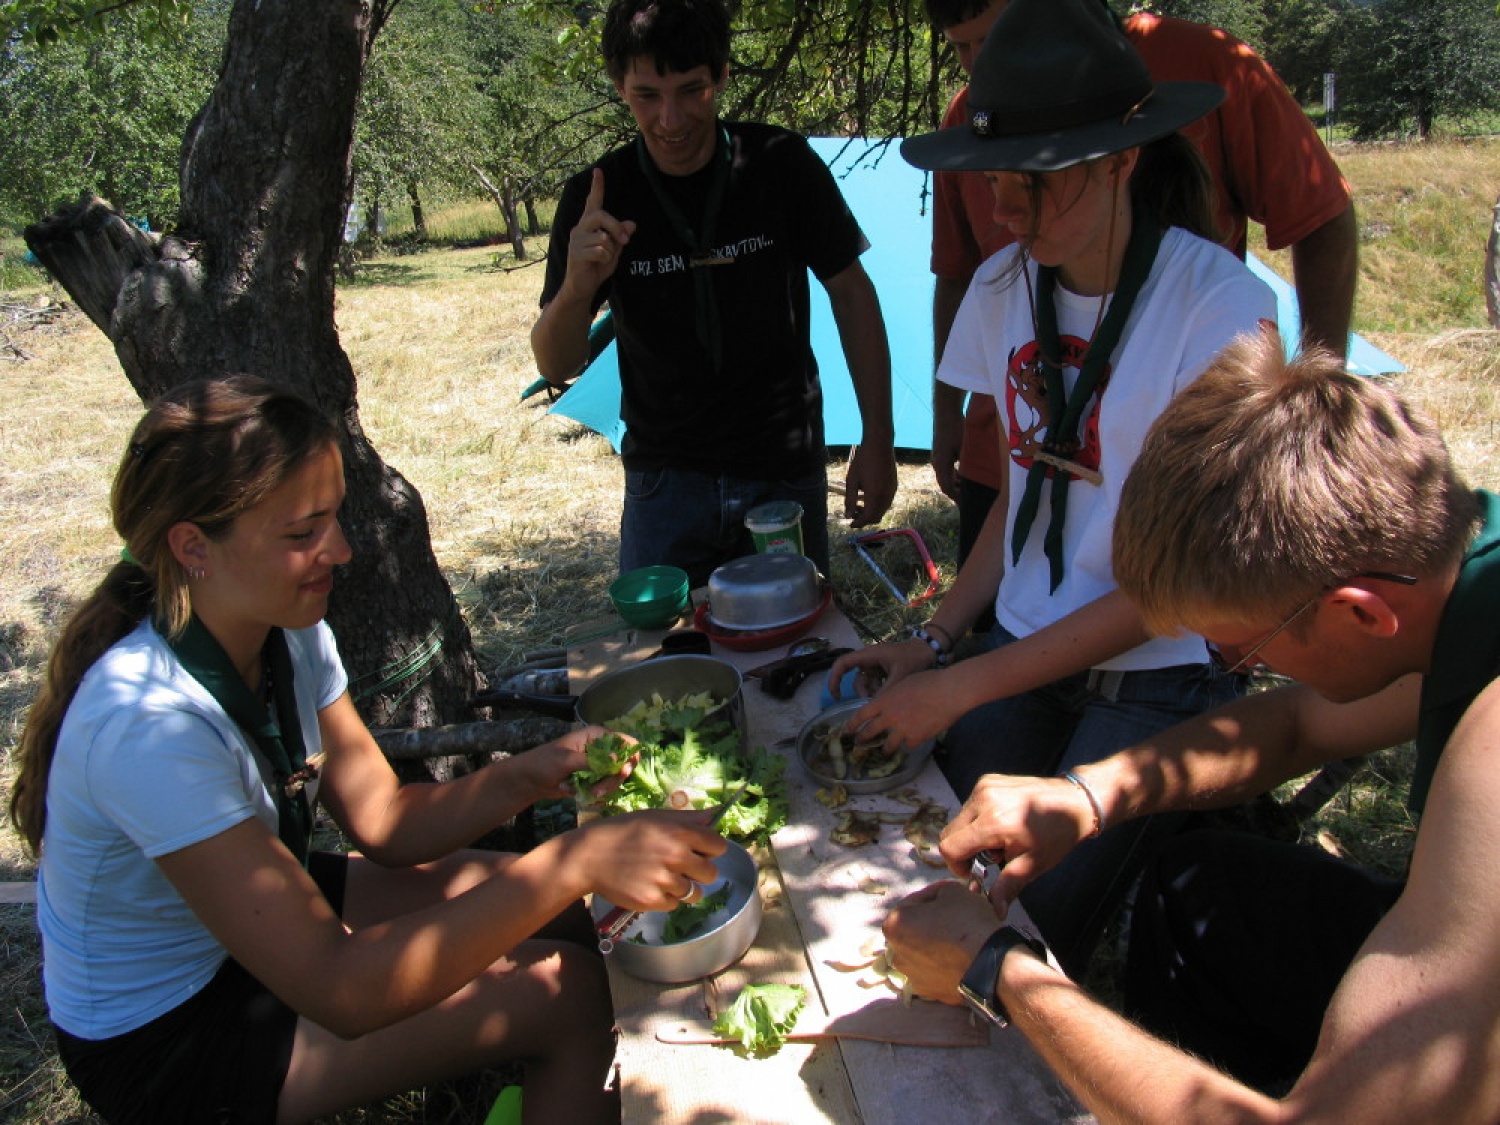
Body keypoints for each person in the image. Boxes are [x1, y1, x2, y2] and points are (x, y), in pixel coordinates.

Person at [12, 376, 727, 1125]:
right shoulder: (147, 727)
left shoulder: (286, 628)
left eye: (335, 517)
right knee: (569, 992)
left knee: (573, 917)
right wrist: (571, 859)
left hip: (248, 923)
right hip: (168, 1036)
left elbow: (385, 820)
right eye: (302, 533)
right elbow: (344, 990)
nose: (341, 550)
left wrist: (531, 775)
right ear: (193, 546)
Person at [883, 325, 1500, 1122]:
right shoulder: (1449, 573)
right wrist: (1085, 797)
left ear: (1360, 614)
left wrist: (999, 966)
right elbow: (1298, 726)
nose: (1236, 664)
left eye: (1248, 643)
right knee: (1201, 884)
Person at [825, 0, 1275, 976]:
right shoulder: (1001, 288)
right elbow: (1025, 494)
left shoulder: (1224, 312)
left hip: (1158, 679)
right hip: (1020, 645)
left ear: (1123, 158)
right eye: (991, 178)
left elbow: (1175, 595)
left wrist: (962, 683)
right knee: (907, 856)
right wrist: (936, 639)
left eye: (1035, 179)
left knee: (1010, 931)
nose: (1004, 208)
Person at [925, 0, 1358, 574]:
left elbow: (1319, 215)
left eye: (996, 37)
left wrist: (1315, 403)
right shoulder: (977, 118)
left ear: (1120, 162)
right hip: (1014, 457)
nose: (981, 67)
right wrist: (946, 414)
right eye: (961, 48)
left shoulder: (1209, 63)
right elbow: (957, 272)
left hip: (1168, 461)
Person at [530, 0, 898, 588]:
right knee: (668, 666)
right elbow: (555, 362)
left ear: (723, 76)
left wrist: (878, 439)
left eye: (692, 90)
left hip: (783, 471)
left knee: (794, 655)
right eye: (647, 95)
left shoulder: (781, 164)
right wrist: (578, 288)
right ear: (620, 87)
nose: (671, 119)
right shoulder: (600, 194)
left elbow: (853, 296)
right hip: (665, 482)